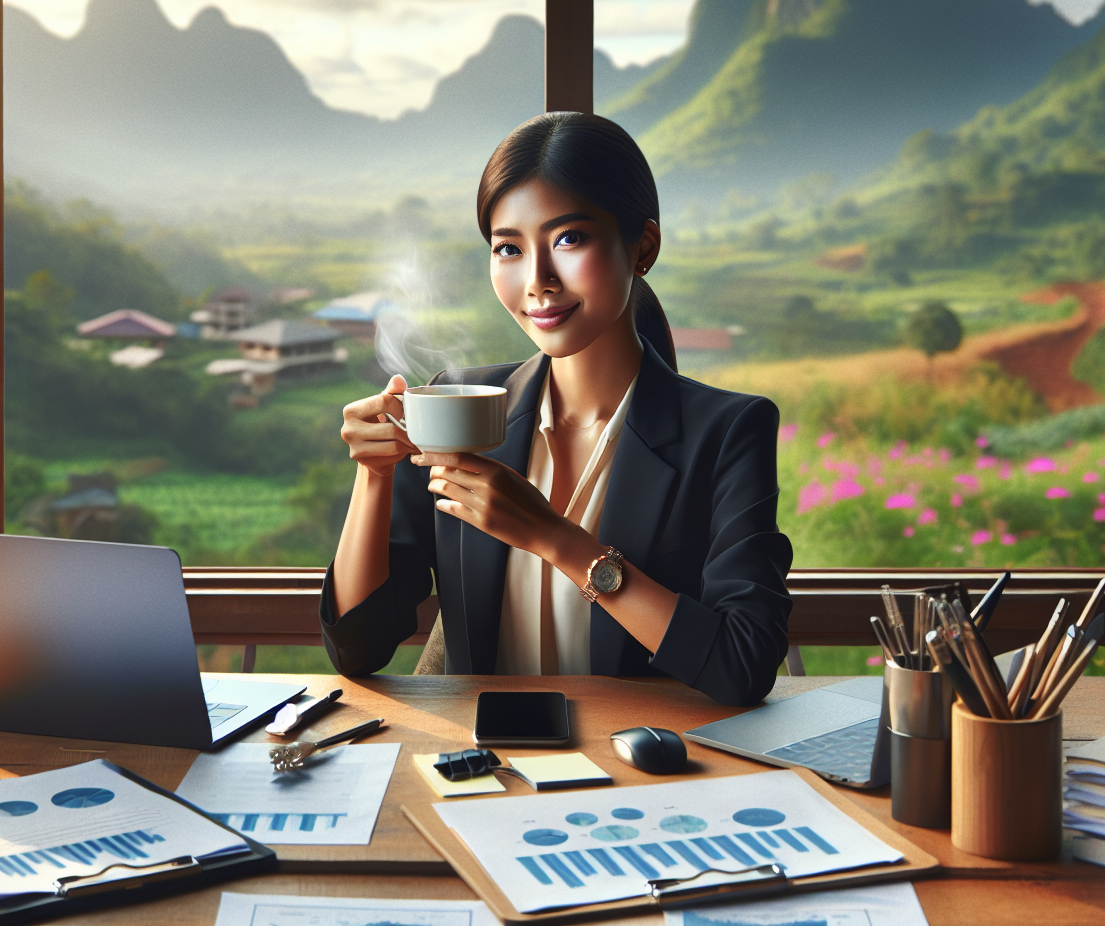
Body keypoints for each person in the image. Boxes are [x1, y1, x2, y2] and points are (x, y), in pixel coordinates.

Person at [319, 113, 792, 706]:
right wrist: (374, 474)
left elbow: (744, 664)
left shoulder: (726, 432)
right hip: (478, 774)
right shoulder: (457, 405)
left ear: (642, 246)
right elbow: (358, 649)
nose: (537, 281)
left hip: (641, 775)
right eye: (509, 248)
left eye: (568, 239)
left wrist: (555, 538)